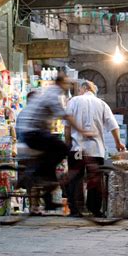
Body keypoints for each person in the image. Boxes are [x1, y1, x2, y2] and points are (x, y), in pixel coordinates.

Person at [19, 73, 93, 211]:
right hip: (30, 132)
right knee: (62, 149)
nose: (68, 86)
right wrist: (82, 131)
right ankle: (41, 176)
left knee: (52, 159)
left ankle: (48, 196)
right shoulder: (53, 93)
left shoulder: (50, 92)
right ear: (61, 83)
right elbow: (66, 116)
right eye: (66, 83)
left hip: (32, 131)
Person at [65, 79, 126, 217]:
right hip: (96, 150)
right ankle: (95, 210)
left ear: (84, 88)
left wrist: (67, 143)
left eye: (80, 89)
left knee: (75, 178)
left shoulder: (74, 101)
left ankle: (75, 210)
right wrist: (118, 143)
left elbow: (67, 126)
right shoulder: (102, 104)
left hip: (77, 148)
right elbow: (113, 124)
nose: (79, 91)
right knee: (95, 179)